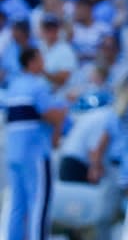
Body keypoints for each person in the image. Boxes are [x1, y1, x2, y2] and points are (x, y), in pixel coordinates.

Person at [4, 46, 68, 240]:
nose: (44, 64)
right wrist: (62, 114)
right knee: (39, 203)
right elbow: (50, 113)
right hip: (35, 154)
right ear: (32, 62)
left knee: (18, 205)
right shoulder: (37, 85)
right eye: (41, 60)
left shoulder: (13, 86)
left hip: (14, 153)